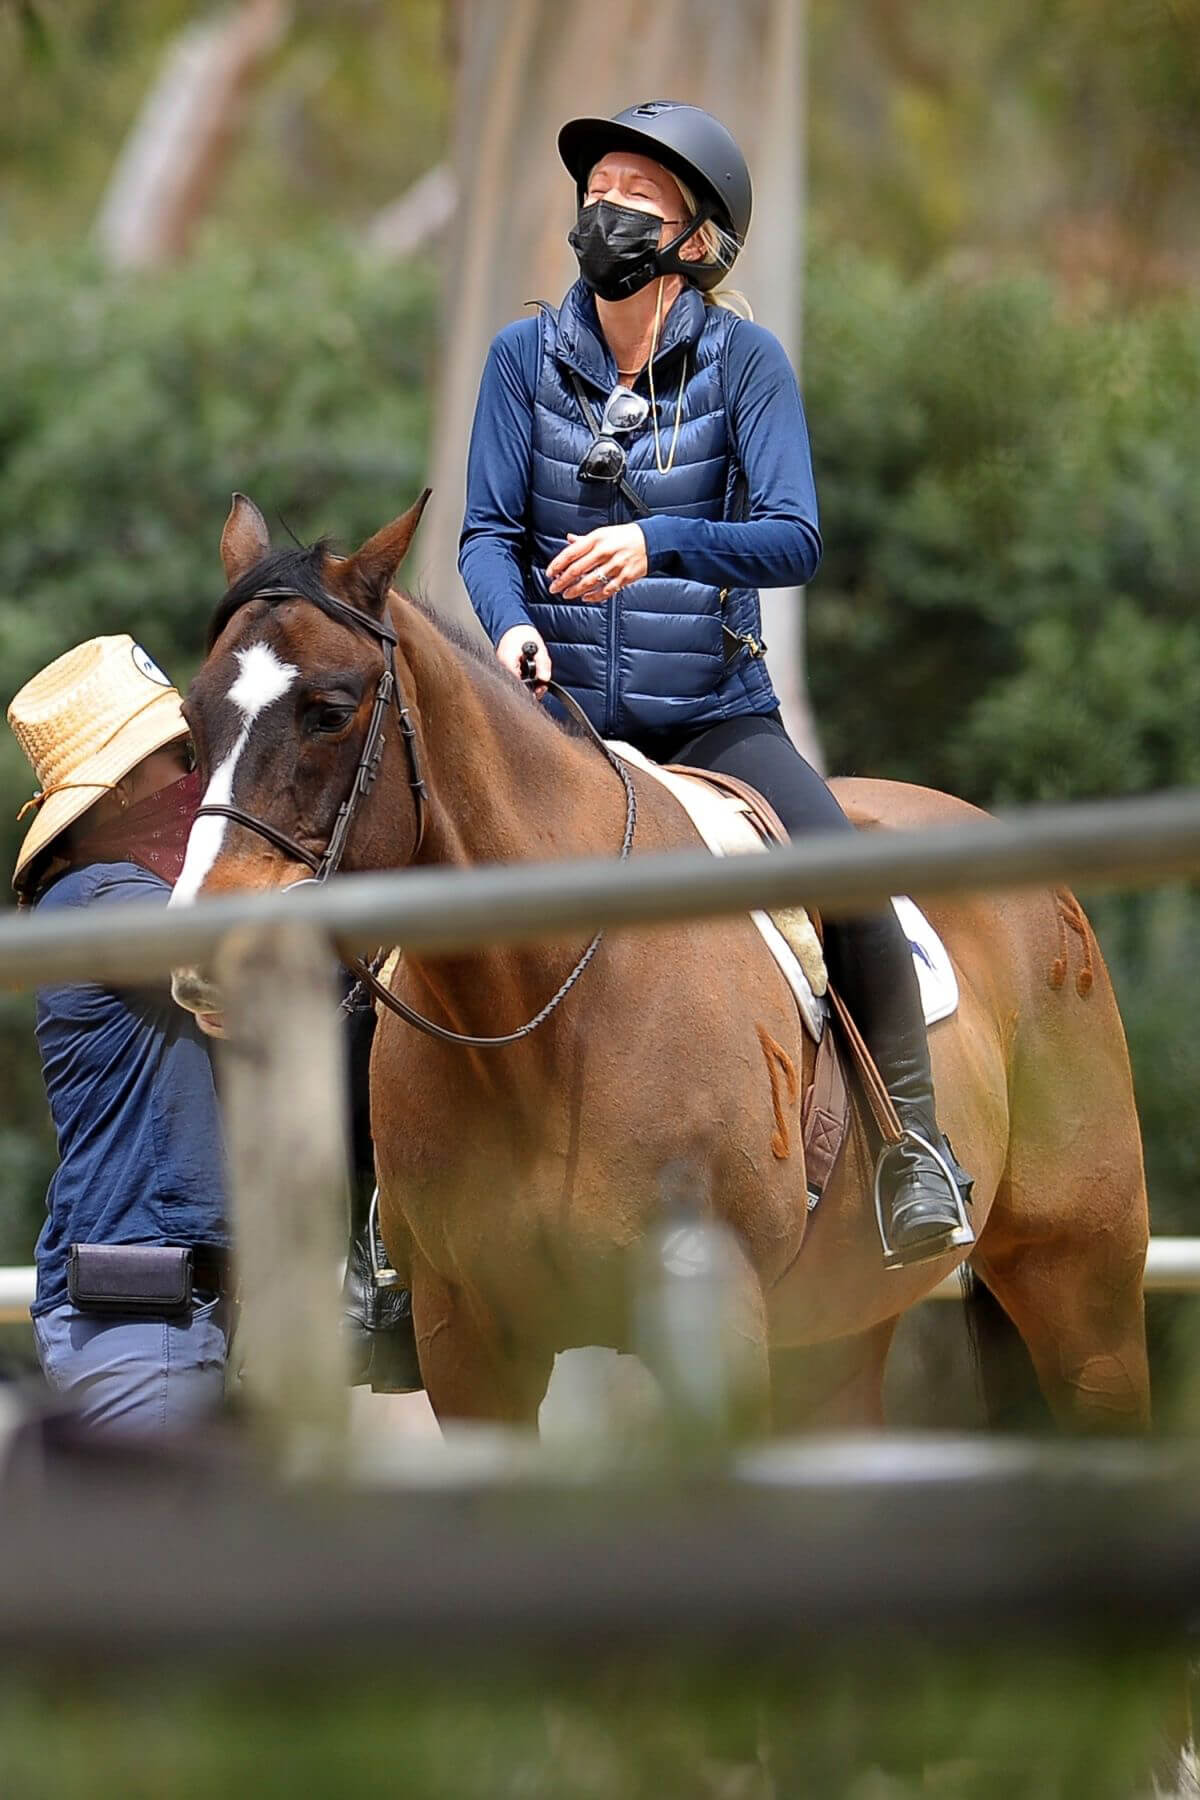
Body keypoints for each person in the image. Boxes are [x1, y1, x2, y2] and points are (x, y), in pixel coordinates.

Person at [458, 100, 971, 1266]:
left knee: (849, 881)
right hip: (559, 721)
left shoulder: (748, 364)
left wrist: (661, 542)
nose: (607, 208)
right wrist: (508, 630)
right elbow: (488, 529)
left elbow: (795, 538)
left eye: (639, 194)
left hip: (713, 717)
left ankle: (915, 1151)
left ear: (697, 239)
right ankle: (380, 1238)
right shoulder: (517, 358)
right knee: (401, 916)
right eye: (600, 188)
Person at [8, 635, 233, 1432]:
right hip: (142, 1311)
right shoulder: (104, 896)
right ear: (121, 791)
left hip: (159, 1307)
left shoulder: (102, 898)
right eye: (178, 754)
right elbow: (249, 955)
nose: (196, 775)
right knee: (163, 1547)